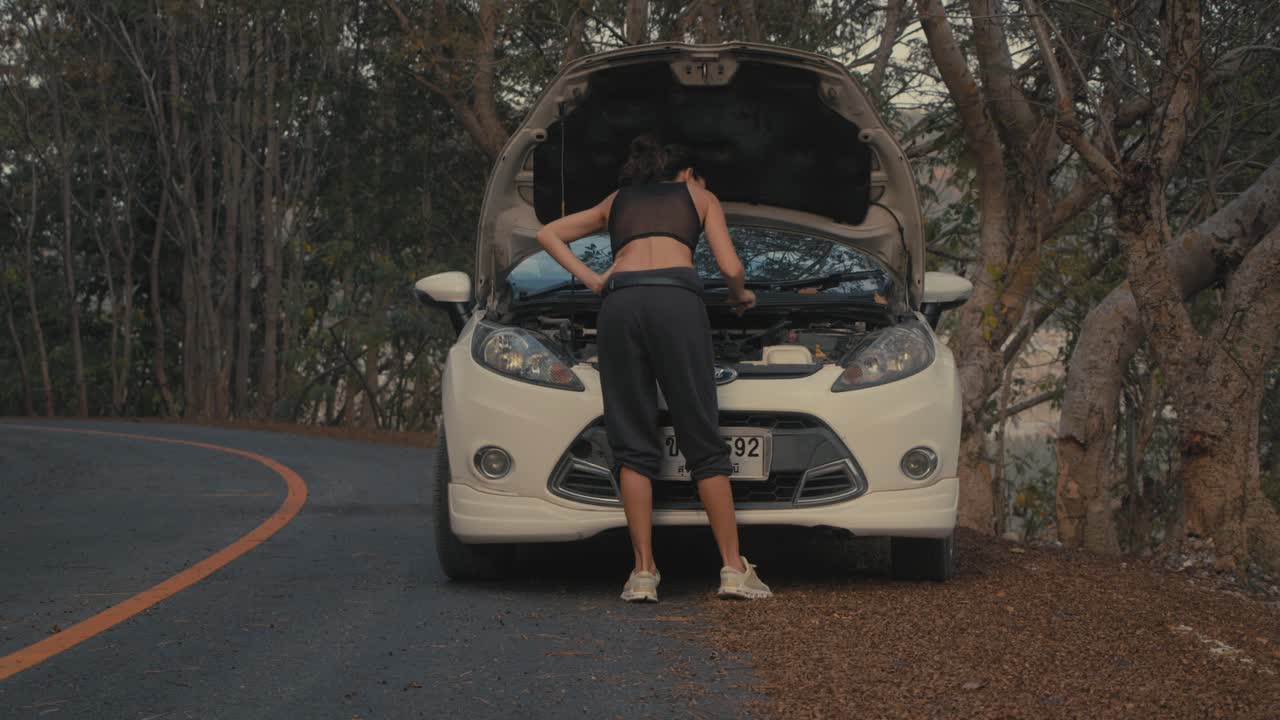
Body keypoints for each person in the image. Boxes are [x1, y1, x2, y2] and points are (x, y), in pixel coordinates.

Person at [535, 134, 773, 602]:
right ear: (686, 174)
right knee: (701, 435)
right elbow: (729, 265)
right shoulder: (700, 196)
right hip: (675, 302)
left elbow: (548, 233)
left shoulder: (616, 200)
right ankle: (732, 569)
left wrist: (593, 279)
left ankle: (643, 572)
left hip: (621, 305)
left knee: (631, 437)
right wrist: (740, 294)